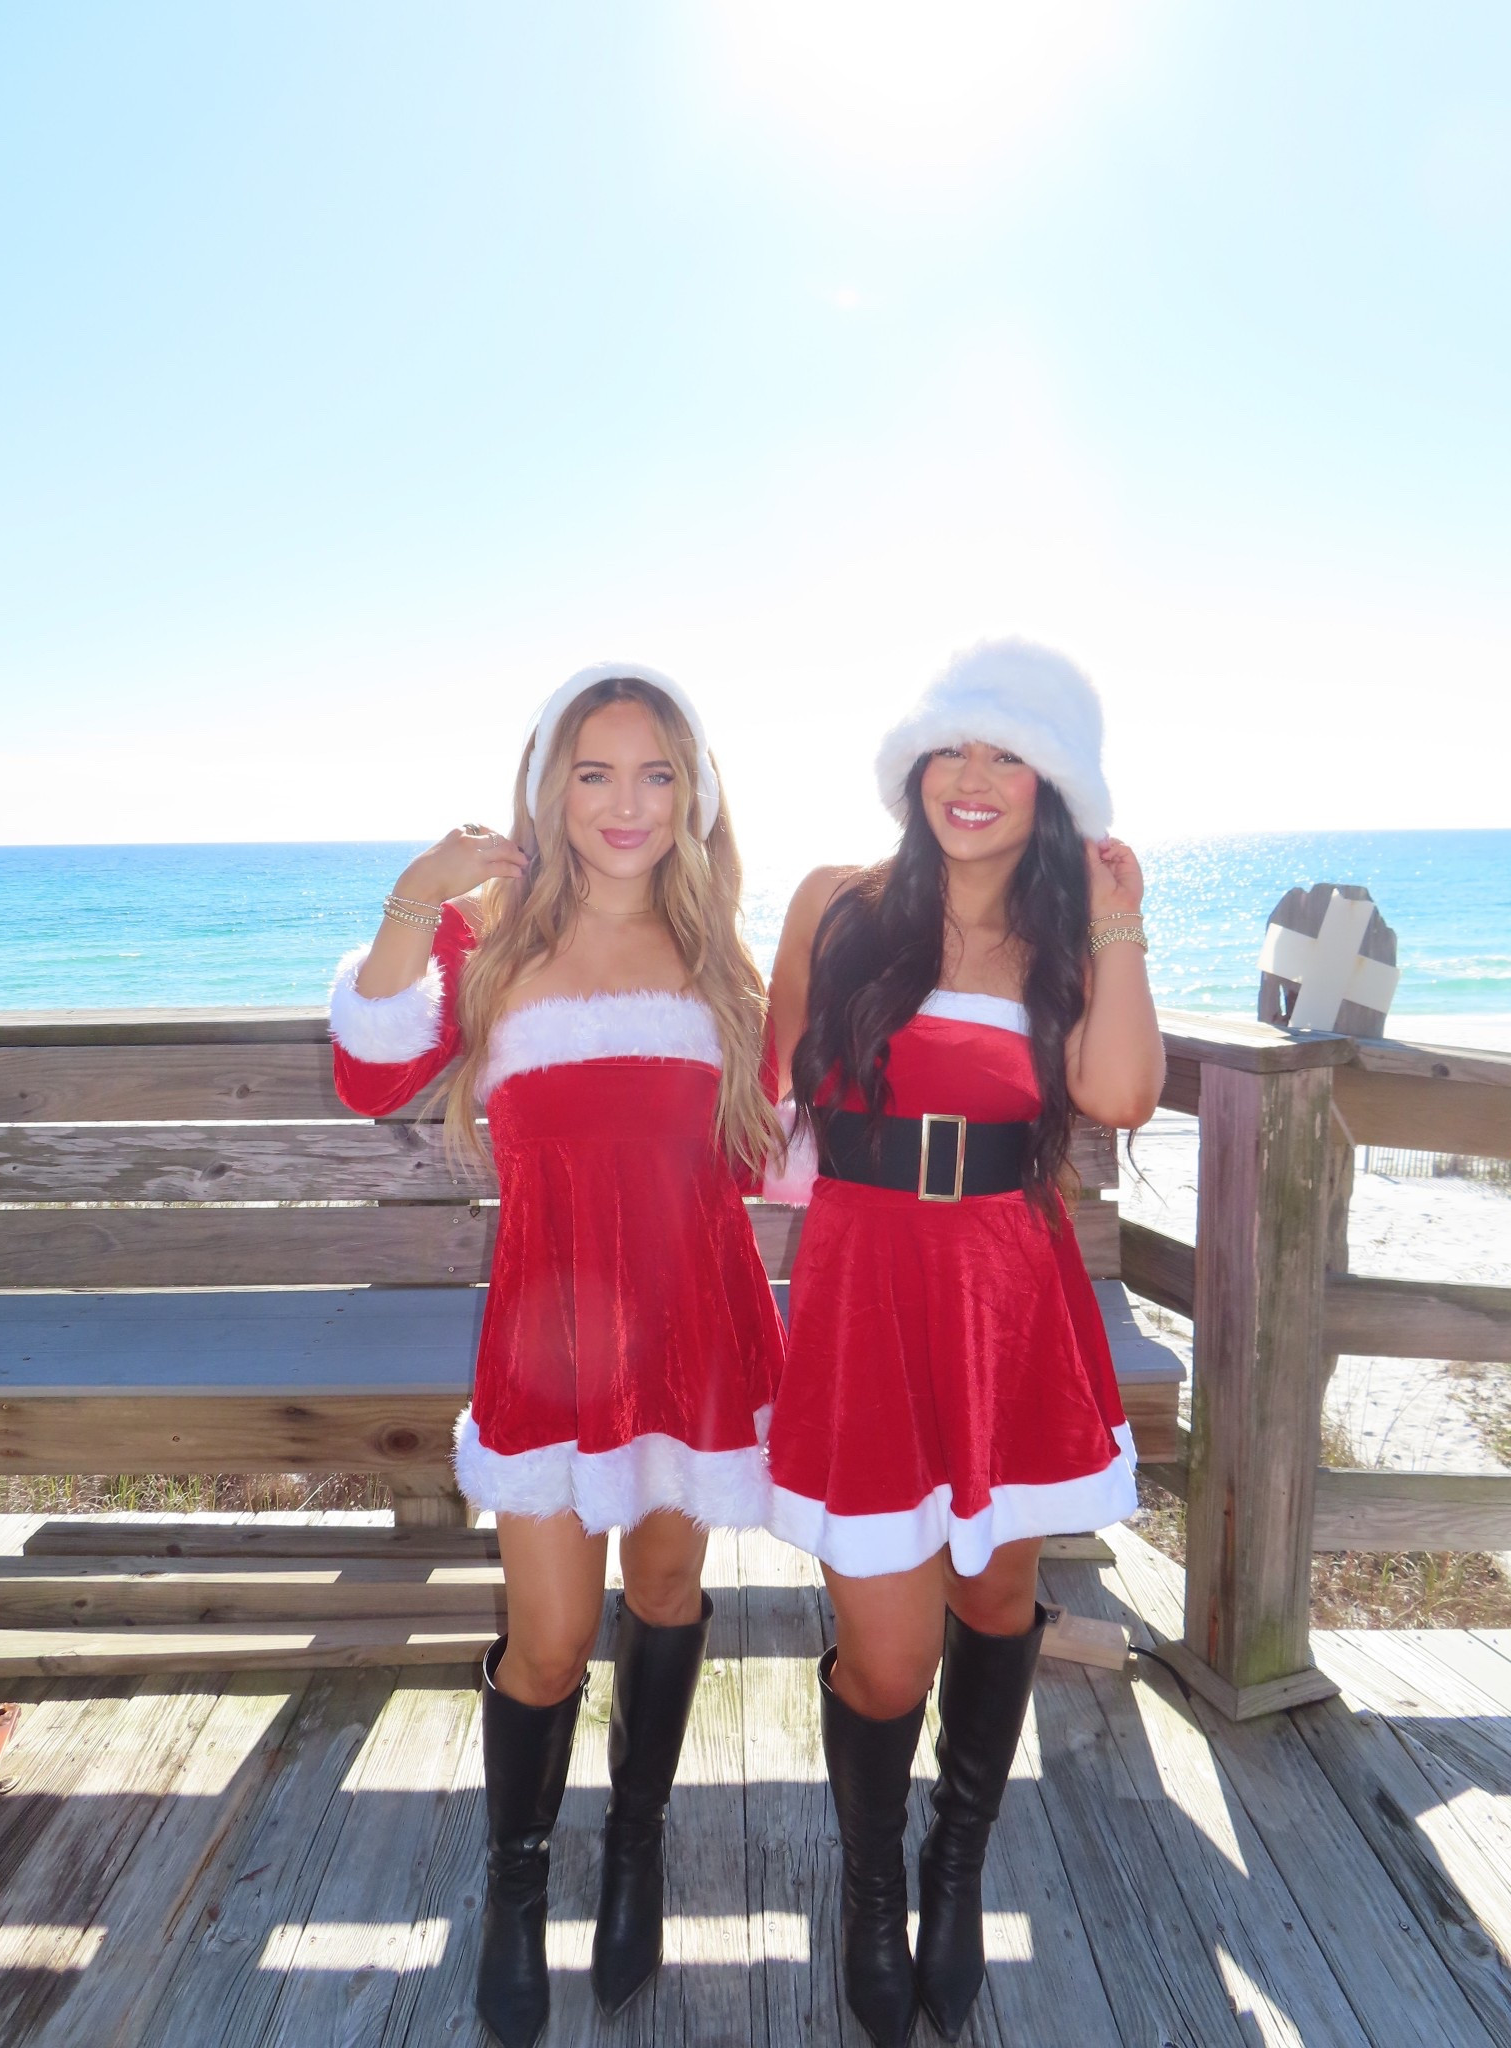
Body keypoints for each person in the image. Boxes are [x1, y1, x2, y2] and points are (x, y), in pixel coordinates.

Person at [327, 664, 784, 2048]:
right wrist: (418, 895)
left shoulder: (721, 959)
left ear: (691, 792)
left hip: (694, 1344)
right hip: (547, 1350)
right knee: (551, 1638)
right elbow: (367, 1072)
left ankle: (632, 1848)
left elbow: (773, 1149)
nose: (627, 804)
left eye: (656, 775)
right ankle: (517, 1886)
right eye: (595, 773)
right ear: (554, 787)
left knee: (663, 1593)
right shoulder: (491, 943)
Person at [765, 639, 1164, 2047]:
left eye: (1010, 755)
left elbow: (1118, 1092)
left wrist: (1119, 922)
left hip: (1009, 1304)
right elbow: (772, 1112)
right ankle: (872, 1893)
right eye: (955, 749)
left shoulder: (1065, 943)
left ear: (1053, 787)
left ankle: (955, 1867)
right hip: (868, 1301)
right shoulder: (838, 907)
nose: (975, 779)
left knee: (996, 1607)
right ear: (915, 767)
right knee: (885, 1658)